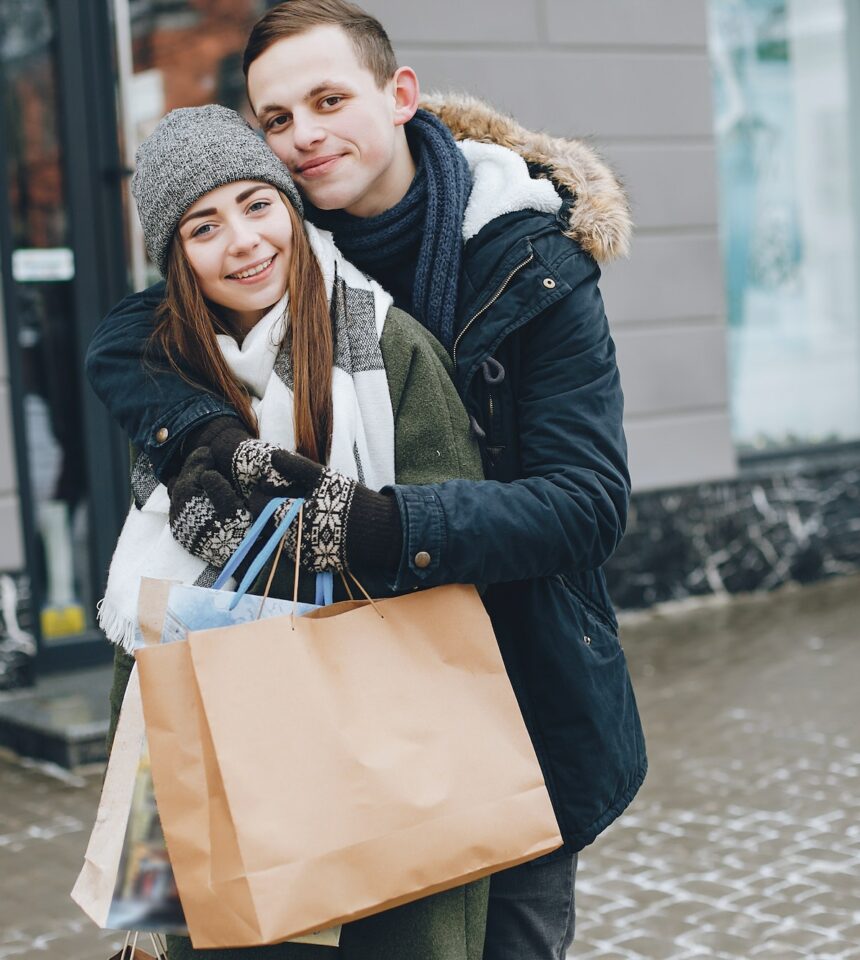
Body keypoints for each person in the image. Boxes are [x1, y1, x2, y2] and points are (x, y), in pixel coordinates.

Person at [87, 2, 648, 957]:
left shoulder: (529, 263)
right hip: (266, 723)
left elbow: (587, 505)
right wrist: (202, 430)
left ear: (399, 97)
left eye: (328, 99)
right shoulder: (273, 249)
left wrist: (367, 531)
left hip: (503, 697)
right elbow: (137, 329)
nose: (304, 135)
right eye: (276, 119)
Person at [100, 103, 488, 960]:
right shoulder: (168, 376)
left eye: (256, 204)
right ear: (177, 260)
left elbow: (448, 537)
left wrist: (309, 542)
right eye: (203, 226)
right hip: (216, 756)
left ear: (290, 206)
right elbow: (149, 618)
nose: (241, 241)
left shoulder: (389, 351)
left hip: (378, 743)